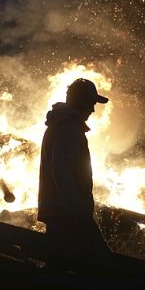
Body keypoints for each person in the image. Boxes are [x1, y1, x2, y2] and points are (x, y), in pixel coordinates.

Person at [38, 78, 111, 256]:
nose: (93, 109)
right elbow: (61, 171)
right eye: (91, 103)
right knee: (102, 263)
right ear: (81, 101)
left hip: (61, 212)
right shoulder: (68, 128)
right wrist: (77, 208)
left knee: (61, 267)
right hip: (67, 214)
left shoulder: (61, 125)